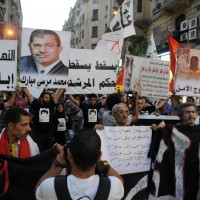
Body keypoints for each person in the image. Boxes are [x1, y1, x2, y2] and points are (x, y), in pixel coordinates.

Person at [35, 129, 124, 200]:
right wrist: (101, 162)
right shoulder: (113, 187)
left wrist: (58, 164)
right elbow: (120, 180)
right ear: (99, 156)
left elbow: (38, 190)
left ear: (69, 153)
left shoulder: (50, 186)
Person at [148, 102, 200, 199]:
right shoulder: (172, 130)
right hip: (179, 173)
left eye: (193, 112)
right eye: (188, 112)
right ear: (181, 115)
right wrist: (158, 130)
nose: (191, 115)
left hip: (197, 173)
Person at [22, 87, 64, 152]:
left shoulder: (51, 104)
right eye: (46, 97)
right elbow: (28, 94)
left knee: (48, 152)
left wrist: (64, 84)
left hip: (49, 135)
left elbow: (58, 94)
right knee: (40, 152)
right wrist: (23, 85)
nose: (48, 99)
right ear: (42, 98)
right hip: (39, 135)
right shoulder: (36, 105)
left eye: (49, 98)